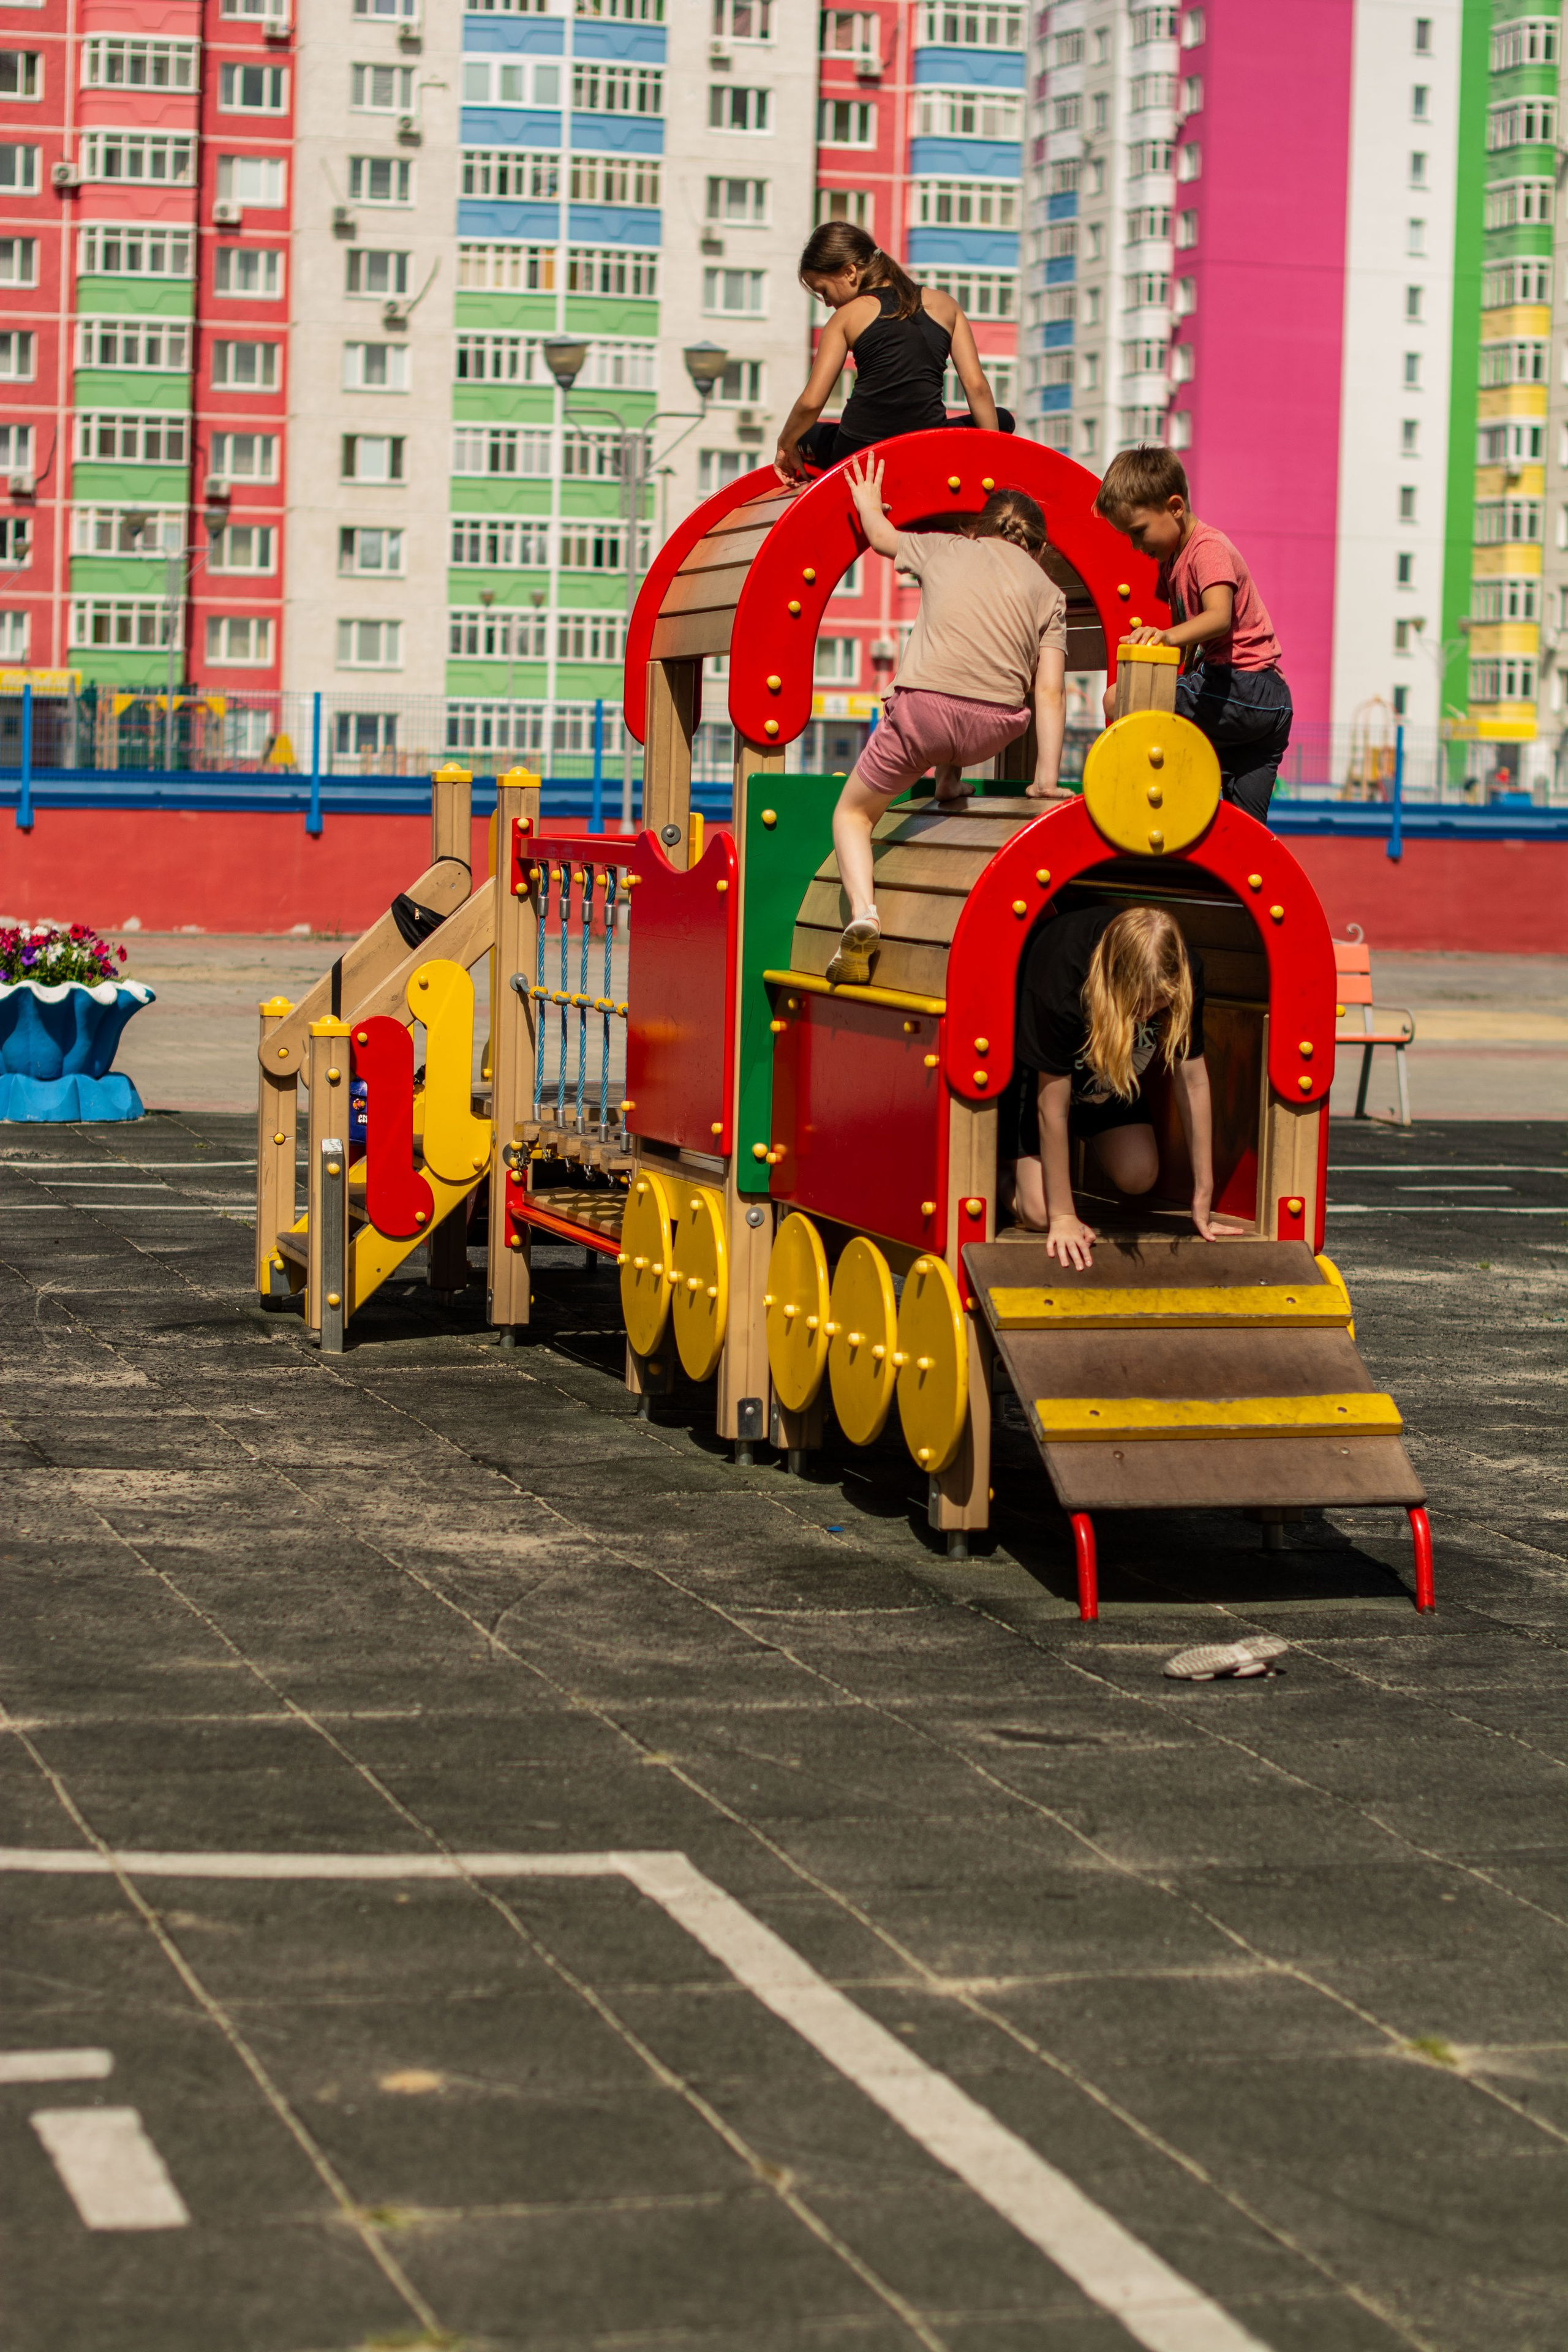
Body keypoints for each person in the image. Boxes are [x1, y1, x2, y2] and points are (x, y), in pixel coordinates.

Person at [824, 457, 1069, 985]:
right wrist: (1046, 779)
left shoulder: (945, 546)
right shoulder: (1050, 593)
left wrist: (868, 502)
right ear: (1041, 550)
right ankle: (950, 778)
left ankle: (864, 914)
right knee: (955, 737)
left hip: (924, 715)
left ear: (975, 531)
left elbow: (882, 535)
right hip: (997, 725)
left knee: (852, 816)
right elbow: (1049, 689)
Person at [1005, 902, 1240, 1268]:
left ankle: (1077, 1147)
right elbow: (1051, 1106)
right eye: (1138, 1002)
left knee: (1139, 1175)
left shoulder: (1185, 972)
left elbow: (1192, 1082)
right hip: (1041, 1083)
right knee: (1040, 1214)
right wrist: (1064, 1218)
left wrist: (1203, 1193)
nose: (1147, 1013)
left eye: (1159, 1002)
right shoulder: (1065, 977)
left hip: (1108, 1077)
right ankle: (1001, 1176)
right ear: (1113, 977)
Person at [1093, 446, 1292, 823]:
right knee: (1243, 829)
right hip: (1262, 710)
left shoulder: (1207, 548)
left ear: (1175, 507)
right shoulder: (1171, 560)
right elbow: (1188, 637)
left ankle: (1141, 801)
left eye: (1139, 532)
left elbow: (1218, 618)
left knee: (1119, 699)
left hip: (1246, 686)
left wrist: (1166, 638)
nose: (1137, 546)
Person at [774, 221, 1014, 483]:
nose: (828, 302)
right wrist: (993, 456)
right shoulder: (946, 305)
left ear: (850, 272)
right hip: (927, 445)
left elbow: (811, 403)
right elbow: (977, 385)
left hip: (860, 451)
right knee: (1002, 420)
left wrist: (786, 443)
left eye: (824, 291)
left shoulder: (845, 318)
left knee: (805, 436)